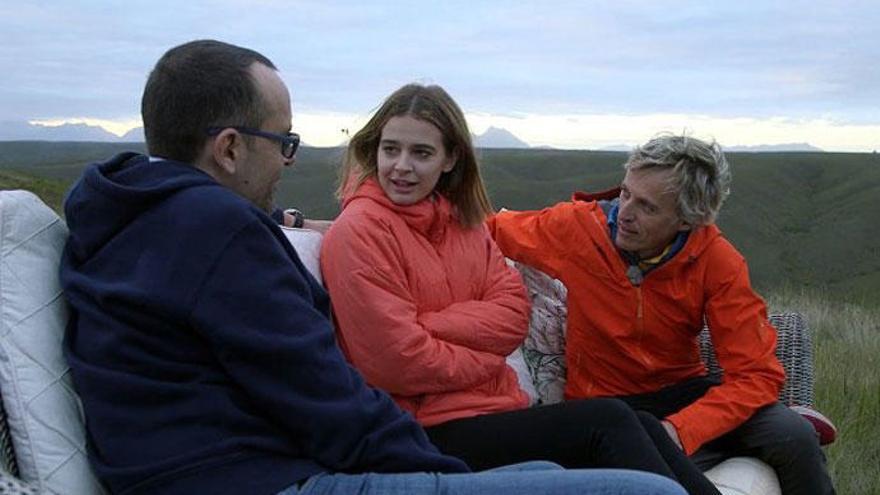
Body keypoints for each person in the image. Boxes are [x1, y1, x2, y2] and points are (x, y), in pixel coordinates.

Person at [59, 40, 686, 495]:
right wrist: (447, 476)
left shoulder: (120, 214)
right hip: (262, 478)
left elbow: (506, 316)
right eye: (283, 143)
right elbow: (330, 398)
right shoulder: (214, 231)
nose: (287, 163)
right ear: (228, 148)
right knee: (641, 491)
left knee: (550, 472)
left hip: (231, 466)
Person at [320, 84, 719, 495]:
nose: (402, 166)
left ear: (450, 159)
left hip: (491, 410)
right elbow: (393, 362)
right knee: (607, 423)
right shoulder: (359, 232)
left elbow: (513, 316)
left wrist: (430, 326)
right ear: (374, 151)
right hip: (419, 430)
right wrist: (487, 360)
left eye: (421, 153)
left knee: (640, 422)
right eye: (391, 150)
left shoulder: (465, 225)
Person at [487, 134, 836, 495]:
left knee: (794, 436)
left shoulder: (717, 260)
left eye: (648, 208)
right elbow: (487, 229)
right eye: (625, 193)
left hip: (685, 393)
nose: (624, 213)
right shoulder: (576, 229)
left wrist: (682, 428)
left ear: (687, 220)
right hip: (606, 407)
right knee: (643, 468)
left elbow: (756, 374)